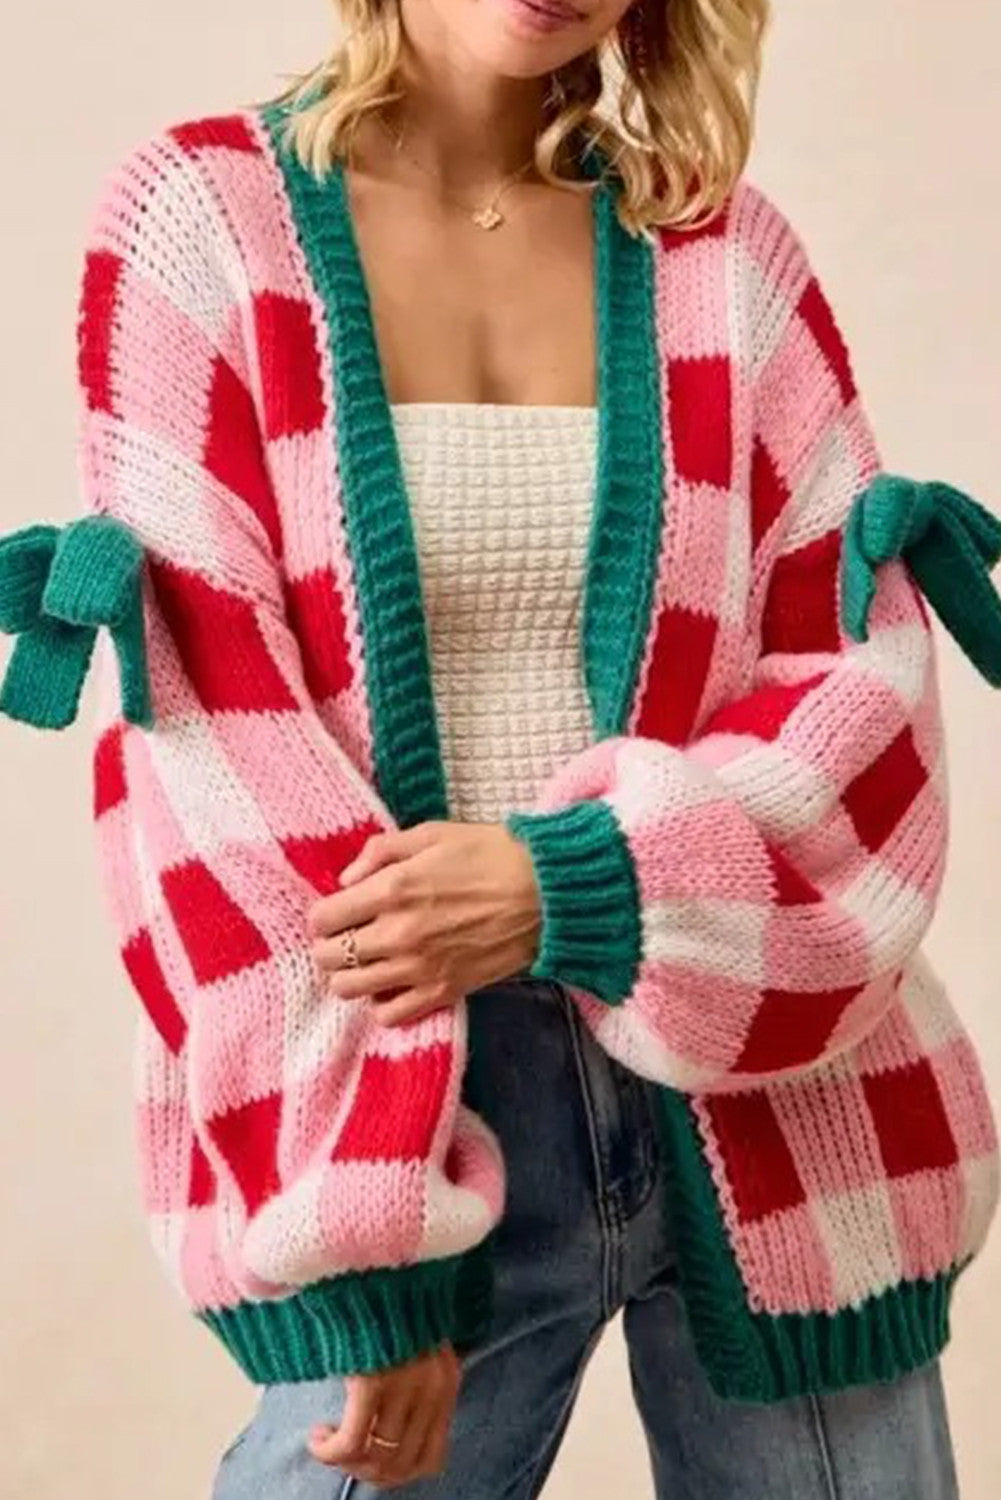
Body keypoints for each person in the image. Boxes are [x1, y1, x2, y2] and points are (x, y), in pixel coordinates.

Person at [2, 0, 1000, 1496]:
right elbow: (214, 758)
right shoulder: (203, 224)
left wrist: (575, 884)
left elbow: (856, 689)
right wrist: (366, 1245)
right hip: (410, 1091)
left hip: (782, 1097)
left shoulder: (722, 254)